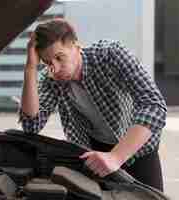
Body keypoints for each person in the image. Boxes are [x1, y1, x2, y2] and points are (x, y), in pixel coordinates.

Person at [19, 18, 167, 191]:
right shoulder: (50, 79)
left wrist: (116, 157)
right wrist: (30, 68)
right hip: (95, 152)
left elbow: (154, 105)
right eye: (48, 62)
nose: (56, 69)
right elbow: (31, 125)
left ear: (76, 45)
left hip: (136, 146)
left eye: (60, 57)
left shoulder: (110, 54)